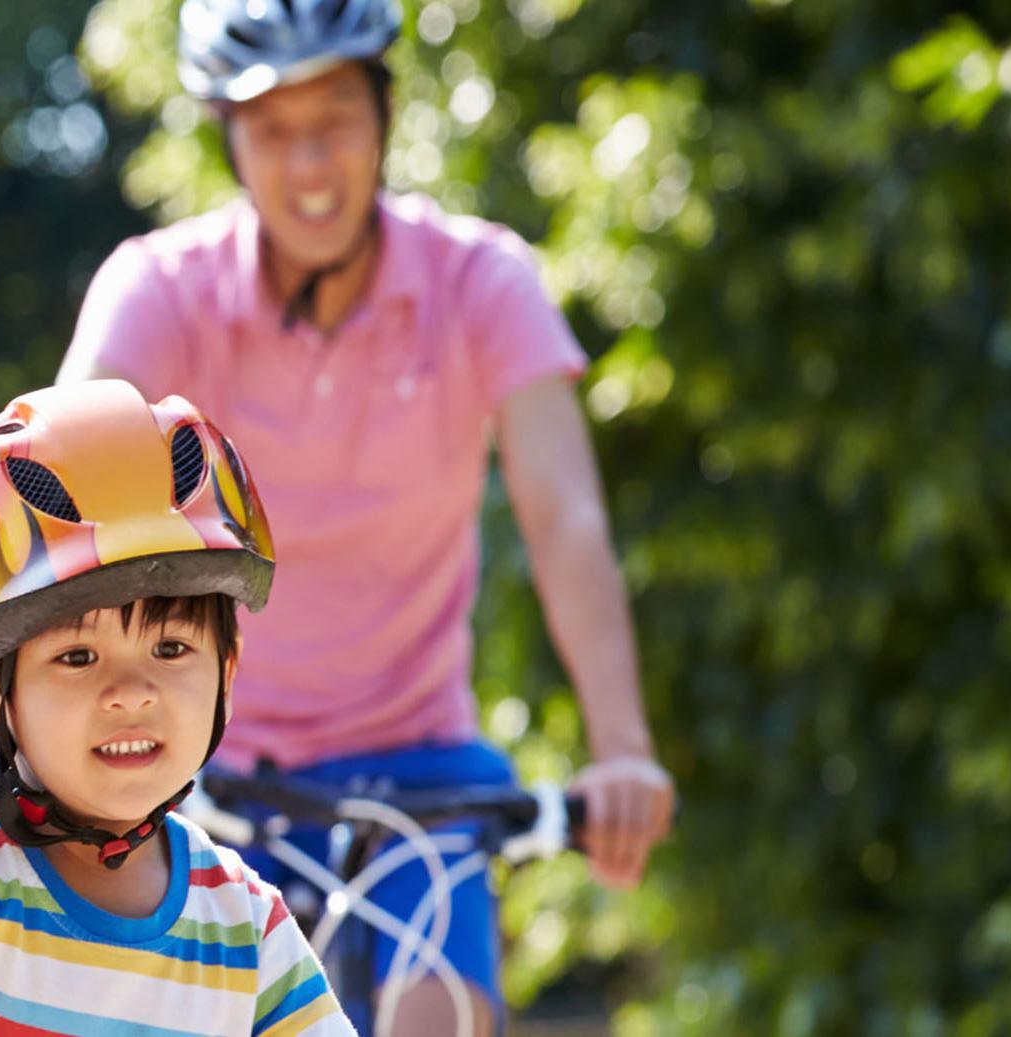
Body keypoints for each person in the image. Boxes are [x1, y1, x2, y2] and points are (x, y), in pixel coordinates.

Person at [57, 1, 675, 1032]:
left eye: (336, 118)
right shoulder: (161, 290)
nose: (309, 163)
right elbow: (57, 496)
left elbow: (563, 515)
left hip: (417, 766)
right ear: (228, 140)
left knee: (436, 1017)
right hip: (204, 764)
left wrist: (621, 745)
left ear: (385, 118)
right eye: (272, 129)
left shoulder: (481, 282)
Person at [0, 381, 352, 1037]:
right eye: (77, 657)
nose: (130, 690)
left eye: (171, 647)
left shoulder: (245, 924)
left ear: (226, 676)